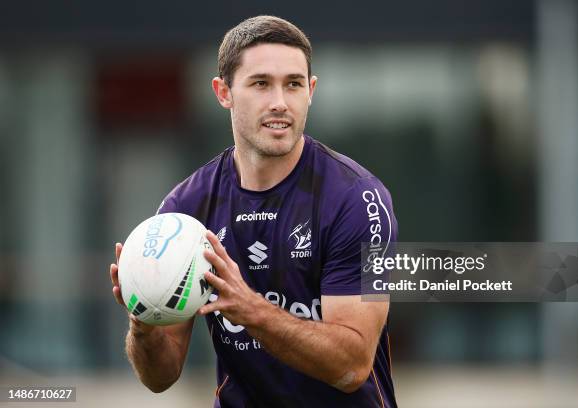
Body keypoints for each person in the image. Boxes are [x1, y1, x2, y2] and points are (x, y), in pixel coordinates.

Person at [109, 15, 398, 407]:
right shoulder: (186, 210)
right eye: (261, 83)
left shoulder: (358, 200)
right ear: (223, 92)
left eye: (293, 84)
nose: (279, 102)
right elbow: (161, 377)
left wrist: (252, 311)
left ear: (310, 91)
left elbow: (352, 365)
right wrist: (143, 322)